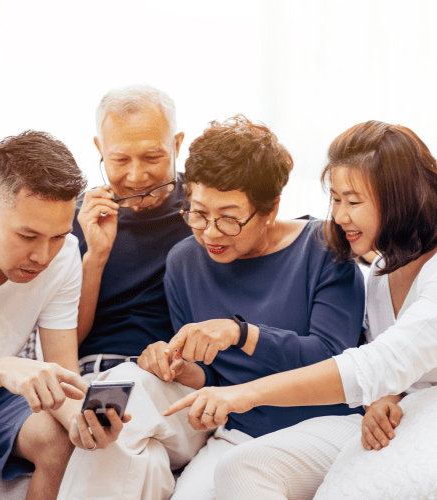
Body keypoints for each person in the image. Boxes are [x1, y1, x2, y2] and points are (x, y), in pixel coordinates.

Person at [166, 120, 437, 500]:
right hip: (389, 416)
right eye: (336, 200)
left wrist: (246, 390)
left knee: (244, 469)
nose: (339, 216)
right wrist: (386, 398)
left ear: (400, 199)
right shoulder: (379, 269)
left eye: (353, 202)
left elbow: (377, 362)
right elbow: (394, 367)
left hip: (386, 421)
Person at [136, 115, 366, 500]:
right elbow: (213, 378)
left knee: (243, 472)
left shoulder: (325, 247)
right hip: (240, 431)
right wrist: (181, 367)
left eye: (228, 218)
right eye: (198, 212)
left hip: (330, 422)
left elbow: (334, 361)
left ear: (270, 209)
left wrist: (239, 333)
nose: (209, 231)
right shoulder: (183, 262)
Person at [0, 131, 127, 500]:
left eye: (57, 236)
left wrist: (81, 421)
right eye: (28, 235)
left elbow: (64, 375)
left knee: (60, 444)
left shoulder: (65, 256)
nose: (43, 256)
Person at [57, 85, 205, 500]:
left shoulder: (204, 213)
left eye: (153, 157)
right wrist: (95, 257)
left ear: (177, 144)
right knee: (140, 460)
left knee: (110, 413)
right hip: (92, 382)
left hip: (172, 388)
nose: (136, 175)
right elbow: (69, 338)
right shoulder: (73, 222)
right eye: (119, 159)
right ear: (99, 149)